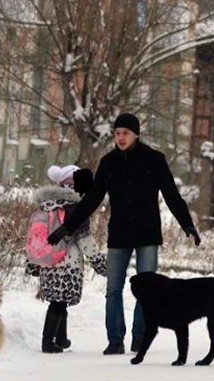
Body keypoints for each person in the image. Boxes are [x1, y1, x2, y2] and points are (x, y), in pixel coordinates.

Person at [48, 112, 201, 355]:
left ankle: (140, 336)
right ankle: (115, 339)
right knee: (113, 288)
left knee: (148, 288)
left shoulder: (154, 160)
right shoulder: (109, 163)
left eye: (125, 133)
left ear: (136, 134)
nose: (120, 137)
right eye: (117, 133)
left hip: (148, 234)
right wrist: (67, 227)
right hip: (119, 234)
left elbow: (172, 195)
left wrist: (187, 224)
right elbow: (92, 199)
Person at [27, 164, 107, 353]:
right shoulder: (76, 209)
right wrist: (100, 263)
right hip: (67, 263)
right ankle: (47, 342)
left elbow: (33, 236)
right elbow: (85, 241)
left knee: (58, 300)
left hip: (48, 261)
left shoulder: (45, 206)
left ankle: (61, 339)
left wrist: (32, 263)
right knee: (58, 302)